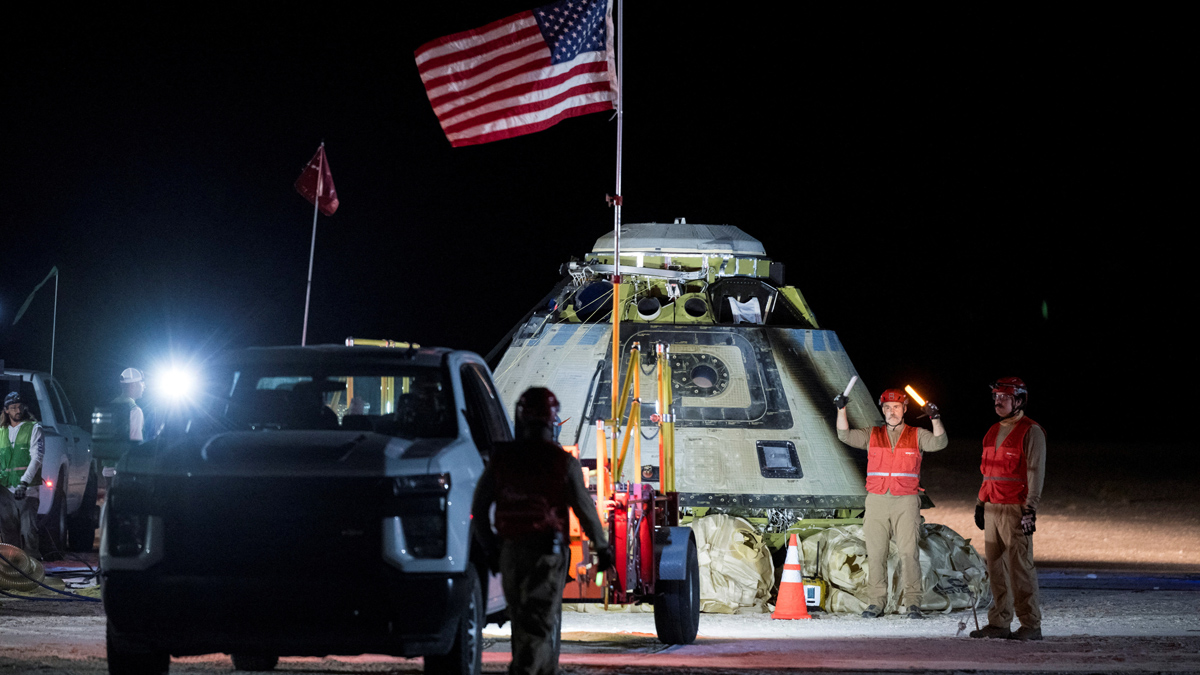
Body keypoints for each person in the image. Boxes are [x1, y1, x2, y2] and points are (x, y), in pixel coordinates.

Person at [471, 387, 614, 675]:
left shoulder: (502, 459)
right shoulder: (562, 462)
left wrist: (490, 549)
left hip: (510, 552)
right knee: (539, 624)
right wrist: (603, 549)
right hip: (546, 556)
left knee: (523, 623)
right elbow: (585, 511)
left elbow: (478, 508)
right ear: (552, 421)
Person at [835, 387, 947, 619]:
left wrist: (935, 418)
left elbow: (939, 443)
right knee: (876, 553)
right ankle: (876, 603)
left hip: (905, 501)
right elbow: (844, 435)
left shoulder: (916, 434)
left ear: (904, 409)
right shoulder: (872, 433)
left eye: (896, 407)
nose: (891, 411)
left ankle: (913, 603)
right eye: (887, 407)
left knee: (908, 553)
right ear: (882, 410)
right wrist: (841, 410)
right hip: (876, 500)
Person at [970, 377, 1046, 641]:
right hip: (992, 507)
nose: (998, 401)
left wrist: (1030, 510)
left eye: (1004, 397)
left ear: (1019, 400)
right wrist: (981, 503)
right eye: (996, 397)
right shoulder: (992, 431)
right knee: (996, 568)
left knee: (1020, 568)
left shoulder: (1030, 431)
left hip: (1015, 508)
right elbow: (987, 473)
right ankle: (999, 622)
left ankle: (1030, 624)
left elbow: (1036, 473)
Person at [0, 392, 44, 557]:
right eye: (13, 408)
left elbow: (37, 458)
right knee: (8, 537)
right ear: (6, 410)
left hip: (26, 491)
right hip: (4, 491)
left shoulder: (33, 429)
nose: (17, 410)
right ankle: (14, 574)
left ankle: (33, 572)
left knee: (28, 533)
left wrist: (24, 482)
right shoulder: (1, 431)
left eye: (19, 407)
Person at [113, 368, 146, 442]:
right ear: (133, 385)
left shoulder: (110, 405)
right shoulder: (135, 411)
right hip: (124, 452)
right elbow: (135, 442)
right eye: (142, 382)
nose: (144, 386)